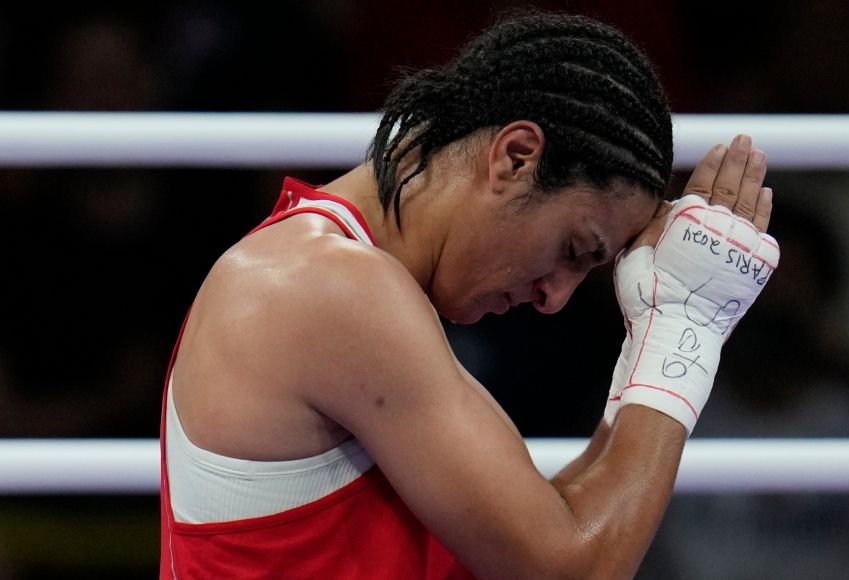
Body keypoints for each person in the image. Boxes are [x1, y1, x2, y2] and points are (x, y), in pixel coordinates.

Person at [160, 12, 779, 579]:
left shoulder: (343, 275)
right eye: (574, 249)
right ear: (516, 156)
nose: (555, 298)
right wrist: (685, 326)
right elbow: (573, 568)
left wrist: (654, 337)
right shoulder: (331, 288)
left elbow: (556, 524)